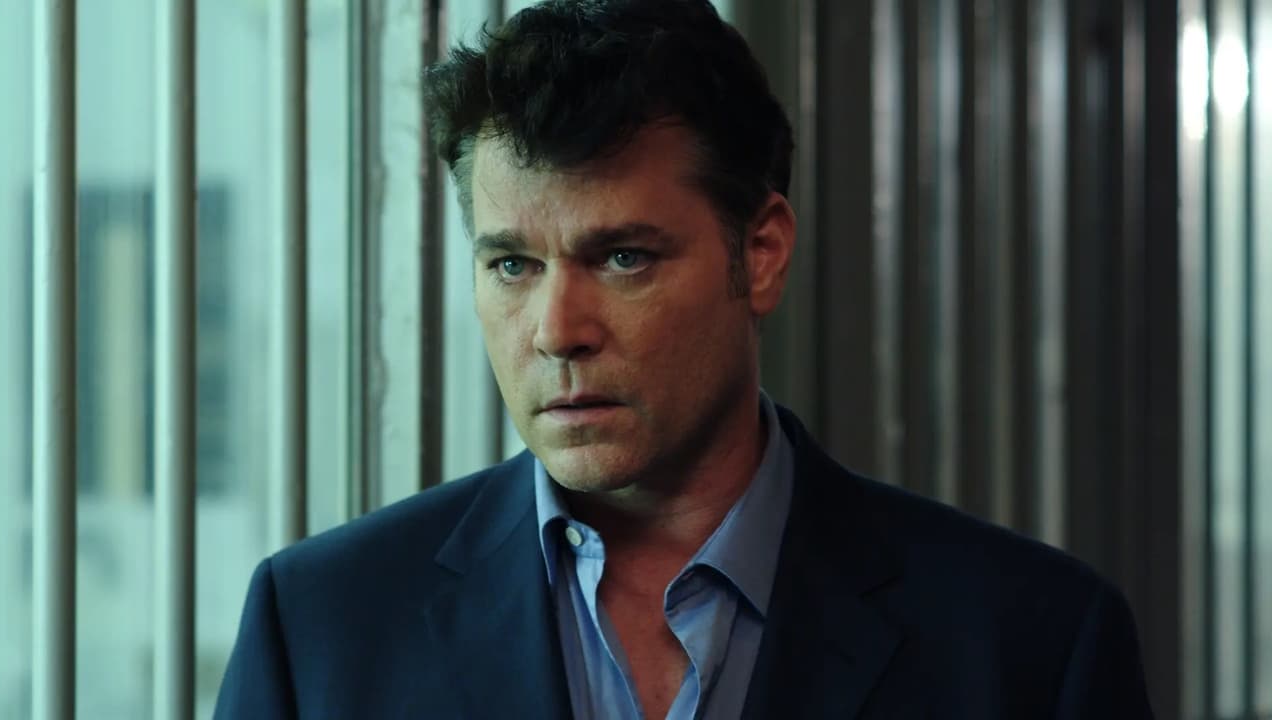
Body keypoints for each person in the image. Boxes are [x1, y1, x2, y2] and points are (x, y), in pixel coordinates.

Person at [214, 1, 1154, 717]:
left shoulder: (1029, 645)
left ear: (761, 253)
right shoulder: (322, 630)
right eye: (512, 265)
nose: (556, 329)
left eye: (623, 257)